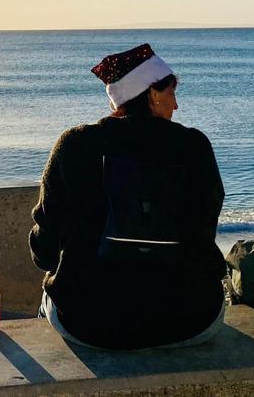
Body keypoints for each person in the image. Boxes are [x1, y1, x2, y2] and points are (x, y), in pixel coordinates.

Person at [29, 43, 227, 350]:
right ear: (152, 93)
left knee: (51, 297)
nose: (176, 105)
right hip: (190, 320)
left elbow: (44, 249)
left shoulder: (76, 145)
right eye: (172, 93)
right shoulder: (194, 146)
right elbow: (204, 231)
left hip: (89, 325)